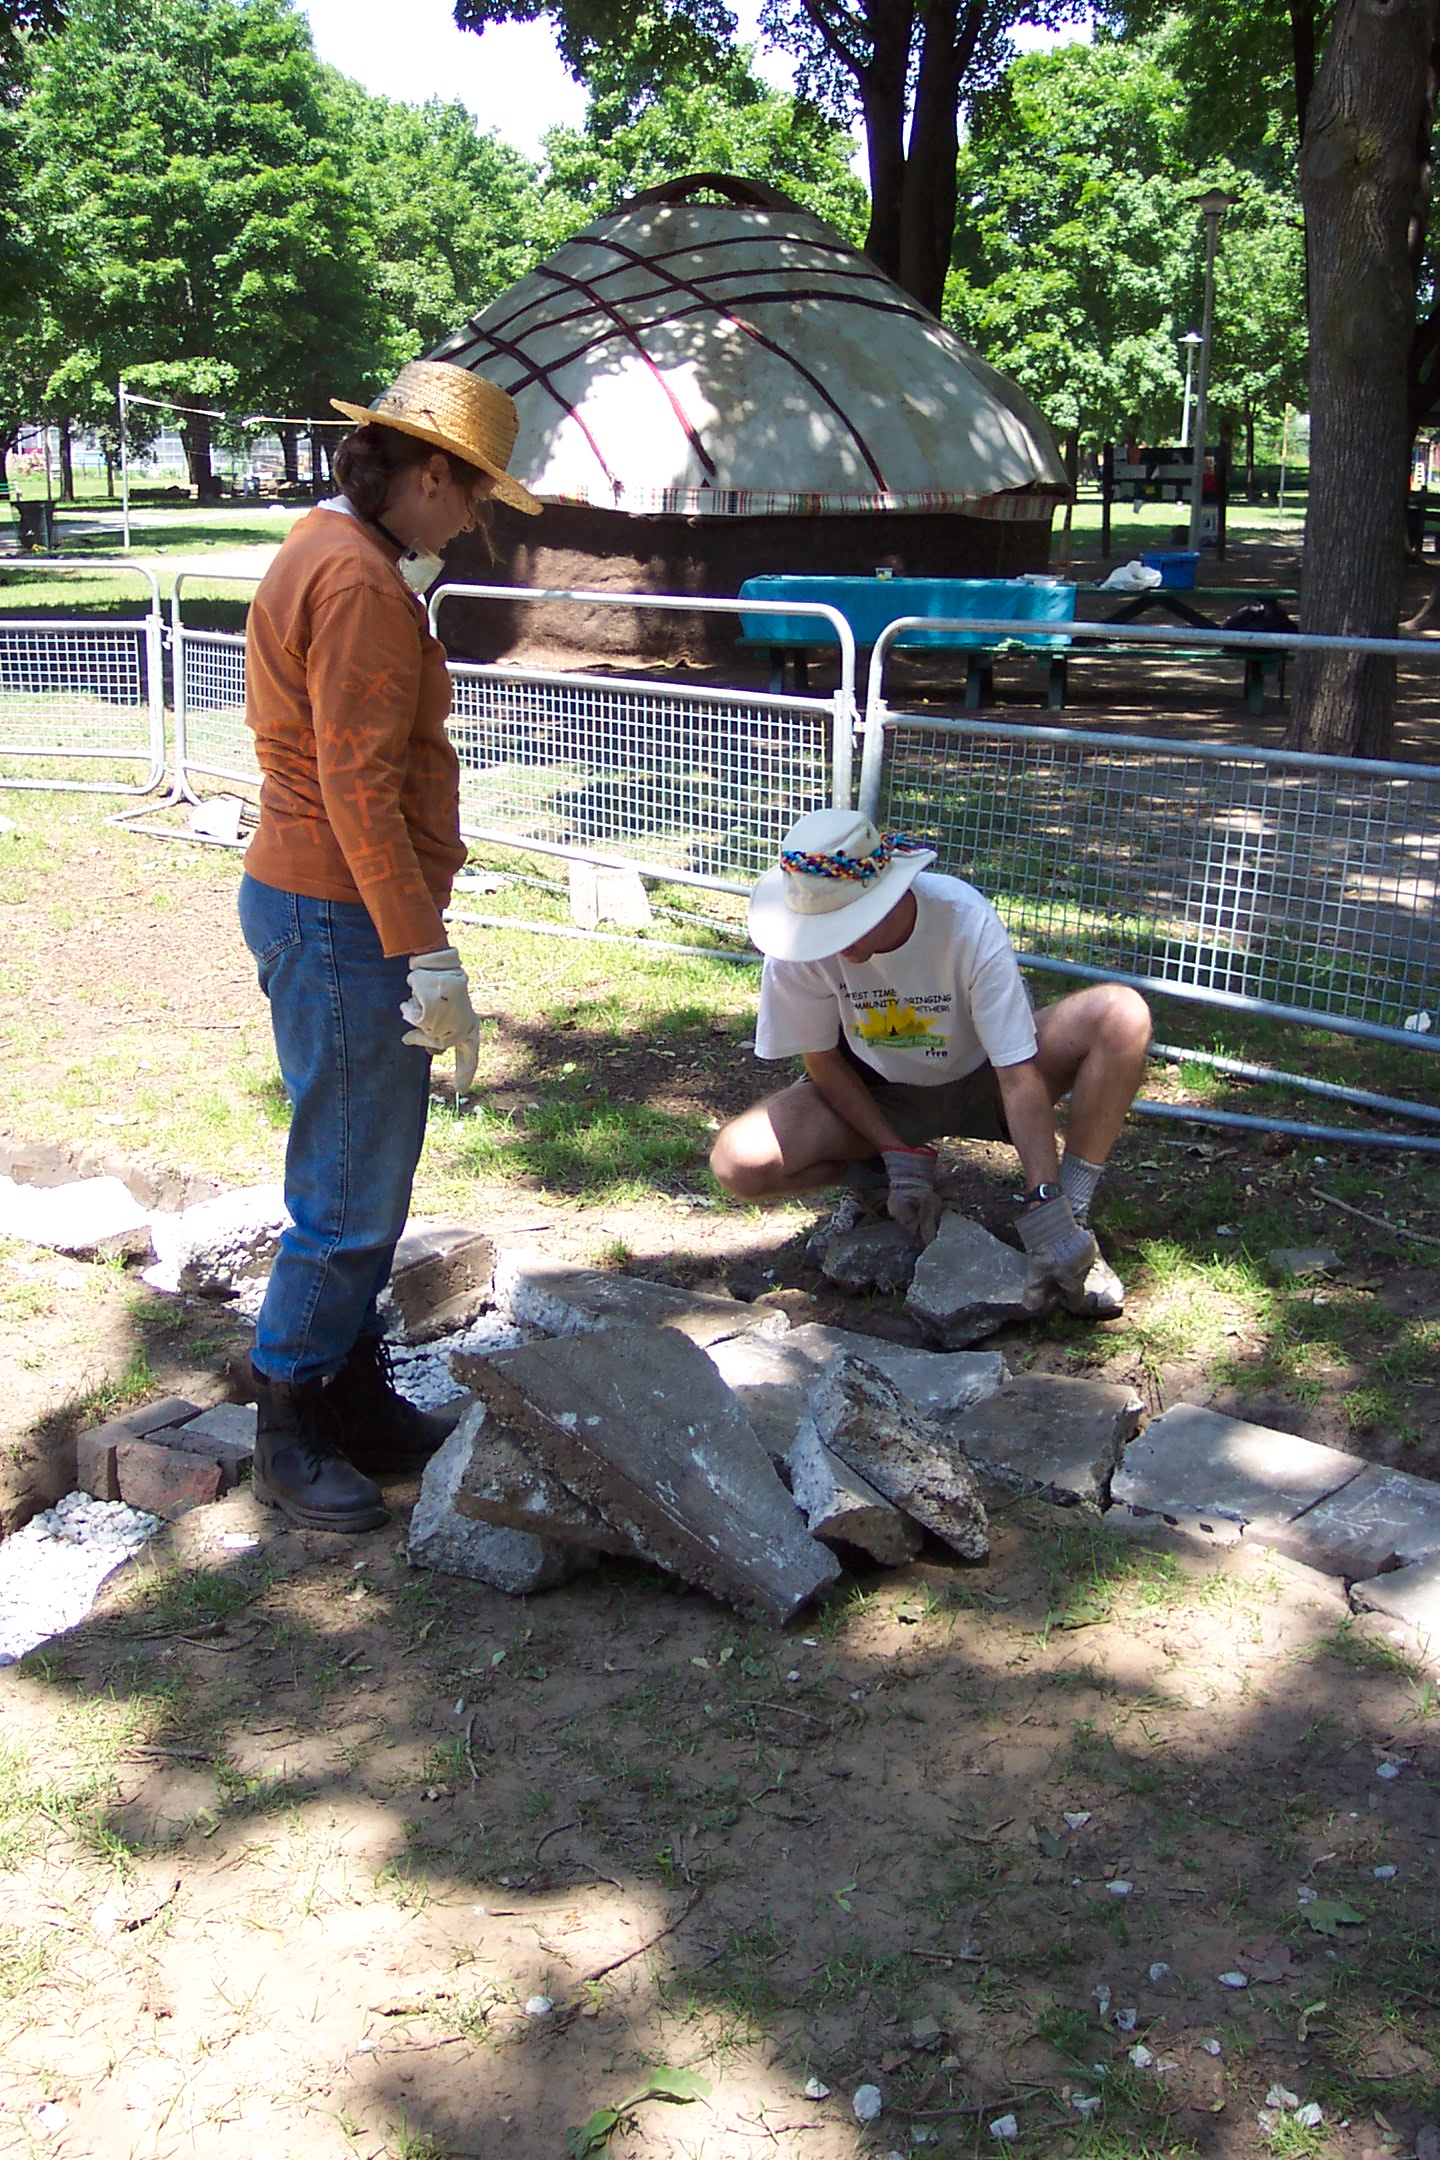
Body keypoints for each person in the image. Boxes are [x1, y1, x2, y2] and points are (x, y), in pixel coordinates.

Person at [239, 359, 540, 1532]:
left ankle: (349, 1393)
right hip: (340, 912)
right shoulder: (360, 578)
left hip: (327, 901)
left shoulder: (335, 549)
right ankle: (288, 1419)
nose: (475, 519)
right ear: (427, 476)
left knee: (362, 1167)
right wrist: (426, 952)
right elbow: (357, 789)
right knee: (350, 1186)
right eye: (474, 494)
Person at [709, 808, 1152, 1312]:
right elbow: (823, 1062)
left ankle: (1071, 1216)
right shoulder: (799, 940)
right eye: (824, 931)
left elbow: (1017, 1075)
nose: (837, 948)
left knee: (1121, 1014)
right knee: (737, 1161)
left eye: (846, 925)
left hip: (987, 1082)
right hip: (880, 1094)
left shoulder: (961, 919)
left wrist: (1046, 1202)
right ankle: (880, 1183)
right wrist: (893, 1150)